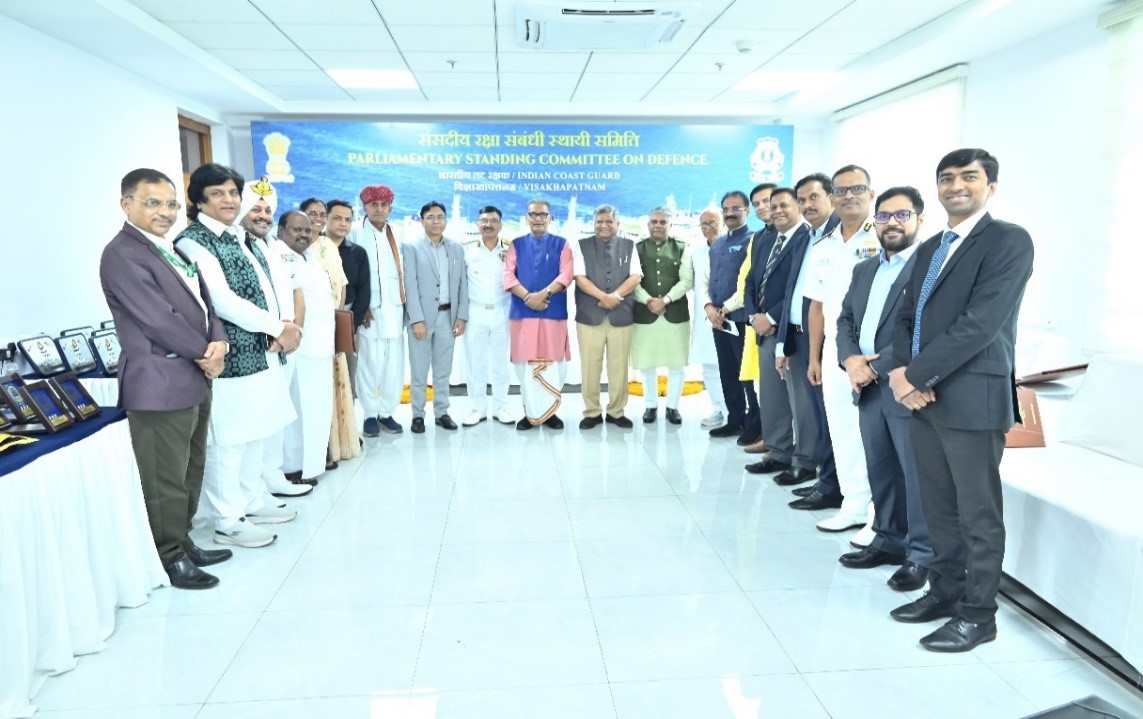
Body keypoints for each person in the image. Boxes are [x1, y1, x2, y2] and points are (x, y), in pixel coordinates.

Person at [888, 149, 1034, 652]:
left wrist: (915, 375)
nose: (956, 186)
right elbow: (907, 316)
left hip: (973, 397)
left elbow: (981, 324)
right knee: (938, 507)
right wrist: (903, 374)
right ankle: (944, 591)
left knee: (977, 514)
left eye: (969, 177)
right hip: (924, 398)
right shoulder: (932, 246)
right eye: (946, 178)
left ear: (990, 186)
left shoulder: (1009, 241)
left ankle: (978, 615)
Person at [100, 167, 231, 589]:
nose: (165, 212)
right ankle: (168, 556)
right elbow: (159, 319)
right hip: (159, 383)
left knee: (191, 467)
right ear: (127, 205)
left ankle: (183, 540)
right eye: (152, 203)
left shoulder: (171, 249)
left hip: (192, 375)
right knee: (163, 478)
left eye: (171, 203)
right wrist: (206, 354)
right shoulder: (122, 254)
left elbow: (206, 305)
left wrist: (219, 341)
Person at [175, 164, 298, 549]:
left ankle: (251, 500)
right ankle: (227, 519)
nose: (228, 200)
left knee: (255, 430)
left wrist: (281, 327)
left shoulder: (238, 236)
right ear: (199, 201)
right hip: (227, 355)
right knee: (228, 439)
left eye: (232, 192)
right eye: (217, 193)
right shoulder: (194, 241)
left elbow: (264, 287)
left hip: (259, 351)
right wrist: (277, 327)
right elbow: (222, 300)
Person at [835, 186, 932, 593]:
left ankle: (922, 555)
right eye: (884, 216)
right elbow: (845, 319)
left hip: (904, 385)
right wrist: (850, 359)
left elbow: (928, 328)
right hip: (867, 387)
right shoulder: (865, 269)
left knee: (915, 474)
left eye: (901, 215)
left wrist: (876, 365)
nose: (891, 223)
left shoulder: (930, 267)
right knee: (882, 467)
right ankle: (890, 539)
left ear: (920, 219)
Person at [803, 165, 881, 536]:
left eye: (857, 189)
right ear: (833, 198)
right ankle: (853, 505)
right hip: (835, 349)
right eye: (841, 190)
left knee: (875, 435)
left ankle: (880, 516)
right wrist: (814, 356)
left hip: (874, 352)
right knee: (842, 429)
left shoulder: (885, 237)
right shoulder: (823, 247)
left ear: (871, 193)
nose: (849, 196)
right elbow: (816, 307)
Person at [743, 188, 815, 482]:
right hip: (764, 331)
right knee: (772, 396)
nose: (778, 211)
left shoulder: (808, 238)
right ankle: (778, 452)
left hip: (791, 330)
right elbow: (751, 281)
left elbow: (800, 287)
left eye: (784, 205)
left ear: (798, 205)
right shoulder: (765, 240)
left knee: (800, 400)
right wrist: (754, 316)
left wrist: (772, 317)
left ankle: (806, 459)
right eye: (773, 207)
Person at [782, 174, 842, 501]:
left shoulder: (842, 234)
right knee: (820, 414)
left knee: (830, 414)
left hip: (830, 339)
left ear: (831, 197)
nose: (807, 205)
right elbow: (794, 290)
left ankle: (832, 487)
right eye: (802, 200)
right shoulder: (808, 236)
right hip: (804, 337)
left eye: (814, 197)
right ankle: (826, 480)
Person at [502, 199, 574, 430]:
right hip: (523, 315)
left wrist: (542, 295)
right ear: (527, 218)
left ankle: (550, 412)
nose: (538, 219)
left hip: (553, 313)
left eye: (543, 215)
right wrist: (528, 297)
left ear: (550, 218)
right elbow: (507, 276)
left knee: (554, 365)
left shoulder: (562, 245)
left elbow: (566, 275)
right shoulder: (516, 245)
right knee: (524, 367)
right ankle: (530, 413)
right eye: (533, 215)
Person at [278, 211, 336, 484]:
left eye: (307, 230)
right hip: (299, 348)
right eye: (296, 229)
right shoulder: (280, 256)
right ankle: (293, 467)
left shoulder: (311, 258)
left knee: (317, 409)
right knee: (298, 411)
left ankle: (313, 462)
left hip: (322, 347)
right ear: (281, 231)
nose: (303, 234)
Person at [572, 204, 642, 429]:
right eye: (599, 221)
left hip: (621, 316)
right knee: (590, 366)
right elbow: (579, 277)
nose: (604, 225)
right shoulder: (581, 246)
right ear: (593, 224)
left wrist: (615, 296)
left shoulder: (630, 246)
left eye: (609, 221)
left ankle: (616, 411)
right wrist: (603, 296)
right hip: (589, 316)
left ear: (617, 224)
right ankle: (591, 412)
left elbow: (635, 277)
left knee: (619, 367)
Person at [403, 200, 468, 433]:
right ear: (422, 221)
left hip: (448, 317)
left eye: (440, 217)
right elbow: (409, 286)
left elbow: (462, 284)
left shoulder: (456, 248)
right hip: (421, 319)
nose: (436, 221)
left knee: (443, 370)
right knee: (419, 371)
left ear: (446, 220)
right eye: (430, 217)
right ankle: (417, 415)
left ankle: (442, 412)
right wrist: (416, 319)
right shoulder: (411, 248)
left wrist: (462, 315)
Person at [705, 191, 761, 443]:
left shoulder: (754, 240)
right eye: (726, 209)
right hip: (719, 321)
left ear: (747, 211)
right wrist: (710, 307)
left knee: (746, 373)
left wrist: (725, 309)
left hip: (740, 317)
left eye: (736, 208)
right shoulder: (717, 243)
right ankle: (734, 419)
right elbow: (712, 279)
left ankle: (754, 423)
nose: (730, 213)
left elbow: (749, 282)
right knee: (727, 371)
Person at [351, 184, 406, 437]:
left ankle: (386, 412)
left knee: (393, 366)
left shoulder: (397, 234)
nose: (379, 209)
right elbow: (350, 276)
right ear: (365, 207)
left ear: (390, 209)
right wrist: (360, 308)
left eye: (384, 205)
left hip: (394, 311)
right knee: (369, 365)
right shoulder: (355, 233)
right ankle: (370, 414)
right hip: (369, 313)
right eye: (374, 204)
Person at [632, 207, 692, 425]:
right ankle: (650, 406)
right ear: (648, 224)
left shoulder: (682, 248)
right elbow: (632, 280)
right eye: (654, 222)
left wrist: (665, 300)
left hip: (675, 314)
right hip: (644, 314)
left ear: (670, 225)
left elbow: (687, 280)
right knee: (646, 363)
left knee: (677, 364)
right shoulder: (636, 249)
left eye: (663, 222)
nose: (658, 225)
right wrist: (648, 300)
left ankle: (673, 407)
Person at [461, 205, 516, 426]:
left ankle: (501, 407)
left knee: (501, 363)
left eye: (493, 221)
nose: (488, 225)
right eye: (484, 221)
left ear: (501, 226)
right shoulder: (467, 250)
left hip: (503, 311)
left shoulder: (511, 250)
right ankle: (478, 408)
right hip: (475, 312)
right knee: (476, 363)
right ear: (477, 224)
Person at [323, 199, 364, 460]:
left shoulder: (356, 252)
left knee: (346, 378)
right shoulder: (313, 249)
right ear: (326, 219)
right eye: (337, 218)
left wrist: (352, 325)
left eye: (348, 219)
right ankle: (325, 438)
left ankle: (346, 434)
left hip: (344, 323)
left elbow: (363, 291)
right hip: (316, 325)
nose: (343, 224)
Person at [689, 209, 728, 429]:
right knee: (710, 367)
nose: (708, 228)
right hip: (705, 318)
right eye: (703, 224)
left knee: (731, 367)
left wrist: (725, 309)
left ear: (722, 222)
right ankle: (719, 409)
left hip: (729, 315)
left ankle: (736, 412)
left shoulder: (735, 248)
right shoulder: (696, 254)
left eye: (712, 222)